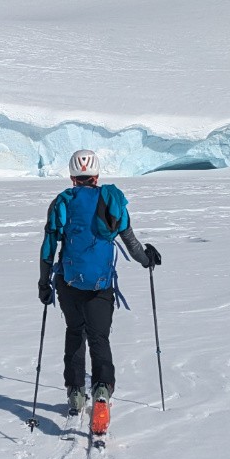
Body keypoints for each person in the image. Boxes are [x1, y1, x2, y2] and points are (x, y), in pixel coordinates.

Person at [38, 149, 161, 438]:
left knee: (74, 333)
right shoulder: (113, 200)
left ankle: (76, 394)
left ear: (72, 176)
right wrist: (147, 259)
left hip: (69, 284)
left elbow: (48, 247)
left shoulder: (62, 203)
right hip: (102, 286)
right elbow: (130, 241)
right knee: (99, 338)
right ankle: (102, 392)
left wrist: (44, 283)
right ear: (97, 175)